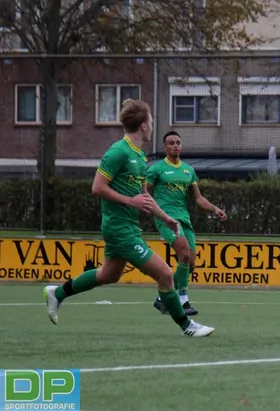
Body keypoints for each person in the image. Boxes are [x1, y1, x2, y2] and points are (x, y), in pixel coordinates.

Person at [43, 99, 215, 337]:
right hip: (119, 228)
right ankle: (187, 325)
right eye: (151, 121)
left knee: (108, 275)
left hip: (128, 226)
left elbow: (143, 195)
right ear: (144, 125)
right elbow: (97, 187)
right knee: (165, 274)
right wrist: (129, 201)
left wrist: (165, 218)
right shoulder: (118, 151)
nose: (153, 125)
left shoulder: (140, 156)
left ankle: (57, 293)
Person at [147, 131, 228, 316]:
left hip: (184, 219)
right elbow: (143, 191)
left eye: (178, 143)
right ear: (165, 147)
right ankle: (183, 301)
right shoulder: (156, 169)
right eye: (171, 143)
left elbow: (197, 198)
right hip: (166, 219)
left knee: (190, 263)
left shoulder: (188, 170)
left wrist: (215, 209)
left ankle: (162, 299)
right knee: (183, 254)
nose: (175, 145)